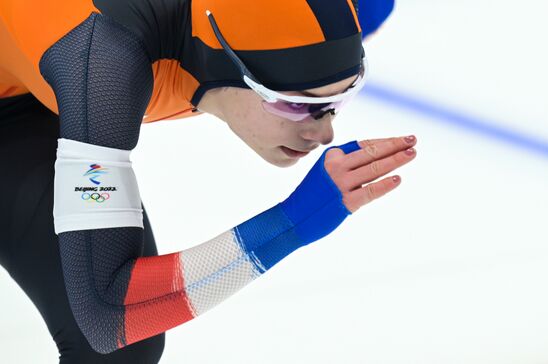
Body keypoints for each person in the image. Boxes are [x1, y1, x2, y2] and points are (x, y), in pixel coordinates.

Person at [0, 0, 412, 363]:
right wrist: (294, 221)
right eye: (296, 105)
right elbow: (109, 312)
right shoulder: (104, 61)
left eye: (340, 101)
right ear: (228, 65)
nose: (324, 135)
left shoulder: (353, 10)